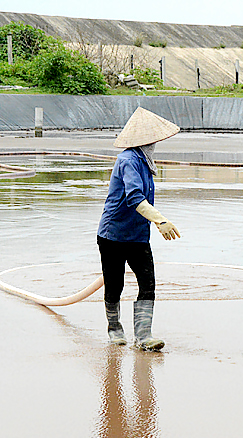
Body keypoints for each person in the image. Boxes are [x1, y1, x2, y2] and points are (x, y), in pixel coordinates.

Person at [98, 107, 181, 350]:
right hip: (113, 235)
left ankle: (144, 336)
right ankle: (114, 329)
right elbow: (134, 198)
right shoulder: (128, 160)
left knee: (148, 283)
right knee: (115, 285)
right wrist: (161, 221)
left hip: (137, 235)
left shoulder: (145, 162)